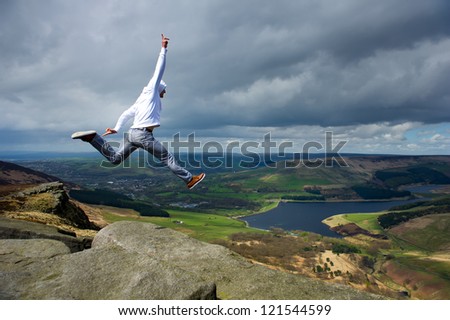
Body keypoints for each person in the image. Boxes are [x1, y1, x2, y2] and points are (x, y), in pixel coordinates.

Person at [71, 34, 205, 189]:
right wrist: (163, 49)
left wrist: (116, 128)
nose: (165, 93)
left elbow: (127, 113)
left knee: (115, 159)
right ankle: (189, 180)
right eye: (164, 90)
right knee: (167, 157)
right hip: (143, 135)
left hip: (132, 134)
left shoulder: (143, 100)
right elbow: (158, 71)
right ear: (158, 88)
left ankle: (93, 138)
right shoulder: (152, 93)